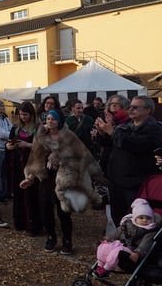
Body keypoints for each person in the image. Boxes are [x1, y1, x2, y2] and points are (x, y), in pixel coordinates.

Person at [21, 109, 103, 255]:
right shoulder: (41, 136)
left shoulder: (69, 136)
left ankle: (67, 240)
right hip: (46, 178)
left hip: (64, 177)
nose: (50, 121)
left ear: (59, 121)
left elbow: (81, 156)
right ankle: (51, 237)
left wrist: (63, 161)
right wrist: (30, 177)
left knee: (64, 211)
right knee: (46, 210)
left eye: (53, 119)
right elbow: (35, 158)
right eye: (48, 119)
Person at [97, 96, 162, 226]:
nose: (131, 109)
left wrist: (111, 132)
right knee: (118, 217)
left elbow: (136, 145)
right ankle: (122, 238)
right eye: (130, 107)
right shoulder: (125, 125)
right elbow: (109, 143)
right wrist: (102, 132)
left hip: (136, 182)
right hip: (116, 180)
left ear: (148, 110)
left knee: (138, 218)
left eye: (135, 107)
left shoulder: (154, 128)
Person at [94, 198, 159, 279]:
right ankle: (100, 266)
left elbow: (145, 243)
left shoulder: (150, 230)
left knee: (116, 251)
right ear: (135, 218)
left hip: (132, 250)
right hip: (121, 244)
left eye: (148, 218)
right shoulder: (128, 224)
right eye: (141, 217)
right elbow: (117, 232)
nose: (145, 220)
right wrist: (108, 239)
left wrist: (138, 252)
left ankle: (106, 269)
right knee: (103, 246)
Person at [5, 101, 42, 235]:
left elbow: (43, 147)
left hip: (32, 165)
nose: (23, 117)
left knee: (32, 195)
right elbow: (9, 142)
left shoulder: (38, 129)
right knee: (19, 193)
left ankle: (34, 225)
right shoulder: (16, 128)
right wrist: (8, 146)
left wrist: (27, 145)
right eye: (21, 114)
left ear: (31, 114)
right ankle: (20, 222)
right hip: (17, 165)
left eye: (25, 114)